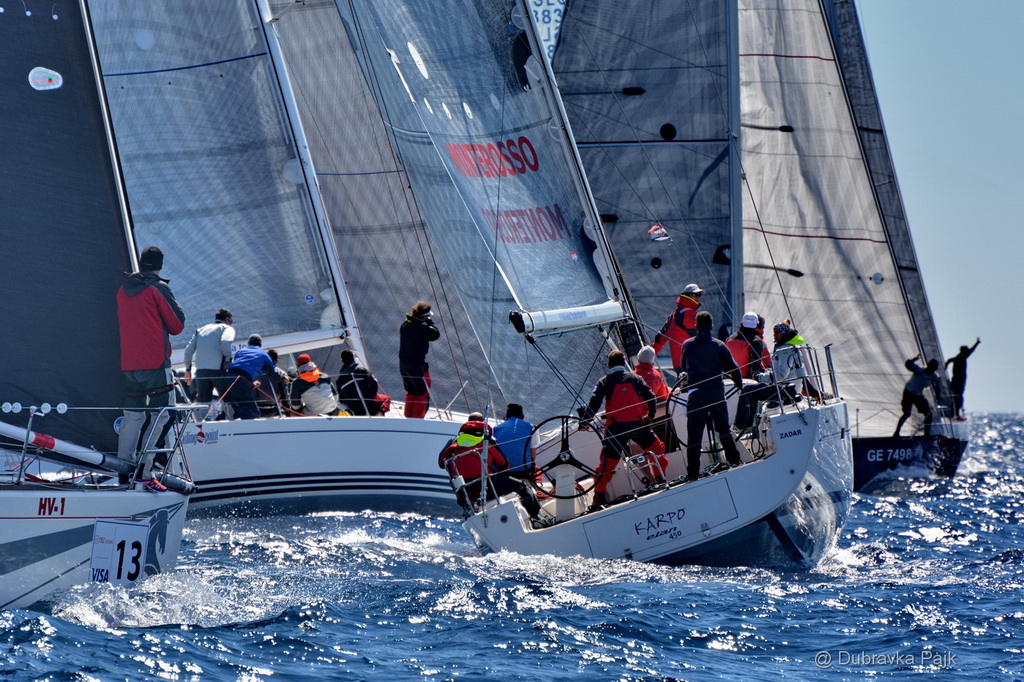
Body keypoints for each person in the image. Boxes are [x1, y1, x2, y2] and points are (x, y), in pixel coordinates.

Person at [116, 246, 186, 491]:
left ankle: (123, 471)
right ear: (160, 264)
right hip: (155, 363)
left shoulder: (123, 290)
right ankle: (145, 472)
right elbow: (177, 325)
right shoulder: (158, 288)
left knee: (133, 417)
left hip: (129, 364)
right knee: (164, 413)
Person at [583, 350, 667, 510]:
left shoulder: (604, 381)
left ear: (609, 365)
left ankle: (597, 499)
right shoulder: (636, 378)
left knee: (607, 464)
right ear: (623, 364)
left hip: (615, 428)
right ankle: (660, 481)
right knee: (657, 449)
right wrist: (651, 416)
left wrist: (585, 422)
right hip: (637, 424)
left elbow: (594, 402)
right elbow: (651, 398)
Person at [679, 310, 743, 481]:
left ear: (696, 325)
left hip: (697, 395)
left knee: (694, 436)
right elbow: (733, 367)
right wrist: (739, 383)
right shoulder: (719, 345)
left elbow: (683, 367)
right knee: (723, 429)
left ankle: (692, 473)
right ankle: (735, 461)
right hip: (715, 392)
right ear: (712, 326)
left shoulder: (687, 345)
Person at [438, 413, 540, 519]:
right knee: (521, 486)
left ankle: (470, 507)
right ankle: (535, 516)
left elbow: (441, 464)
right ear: (483, 423)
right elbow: (504, 465)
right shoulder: (487, 442)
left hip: (464, 488)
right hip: (486, 484)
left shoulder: (454, 442)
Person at [728, 312, 775, 430]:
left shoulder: (729, 339)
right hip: (747, 383)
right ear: (756, 326)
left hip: (730, 381)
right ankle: (750, 427)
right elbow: (755, 366)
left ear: (741, 323)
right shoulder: (756, 340)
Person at [183, 308, 235, 412]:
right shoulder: (227, 328)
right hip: (218, 371)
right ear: (227, 320)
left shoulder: (201, 329)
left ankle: (201, 424)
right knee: (227, 400)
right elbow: (225, 342)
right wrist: (228, 359)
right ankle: (230, 423)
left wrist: (188, 370)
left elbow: (188, 350)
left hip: (201, 372)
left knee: (203, 402)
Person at [399, 301, 440, 418]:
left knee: (411, 392)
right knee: (422, 393)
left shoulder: (405, 325)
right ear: (424, 317)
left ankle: (408, 417)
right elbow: (435, 334)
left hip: (403, 365)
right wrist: (430, 323)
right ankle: (417, 420)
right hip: (416, 365)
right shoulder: (421, 327)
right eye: (427, 316)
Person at [652, 283, 703, 372]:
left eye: (699, 295)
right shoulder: (690, 314)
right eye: (696, 294)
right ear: (690, 295)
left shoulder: (675, 313)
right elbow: (700, 338)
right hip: (691, 363)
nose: (698, 297)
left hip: (678, 365)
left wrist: (648, 357)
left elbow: (660, 337)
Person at [225, 334, 277, 420]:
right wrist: (283, 378)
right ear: (260, 345)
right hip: (242, 379)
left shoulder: (240, 352)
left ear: (248, 343)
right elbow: (273, 373)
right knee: (253, 412)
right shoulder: (263, 355)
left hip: (228, 378)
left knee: (238, 409)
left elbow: (239, 366)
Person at [771, 320, 821, 401]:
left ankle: (815, 394)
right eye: (774, 332)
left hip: (788, 392)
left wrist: (761, 377)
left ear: (783, 333)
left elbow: (781, 374)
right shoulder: (788, 346)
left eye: (777, 332)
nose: (774, 335)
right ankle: (816, 394)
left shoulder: (785, 350)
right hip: (793, 388)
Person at [894, 354, 942, 437]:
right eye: (931, 367)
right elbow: (908, 365)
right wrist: (914, 359)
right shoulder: (919, 371)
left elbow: (939, 385)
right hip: (908, 393)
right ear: (928, 366)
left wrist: (938, 394)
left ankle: (926, 435)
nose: (931, 370)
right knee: (907, 413)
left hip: (918, 395)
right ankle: (896, 432)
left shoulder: (934, 377)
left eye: (933, 369)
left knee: (928, 414)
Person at [492, 403, 535, 479]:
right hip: (523, 471)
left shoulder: (495, 429)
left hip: (501, 471)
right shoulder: (531, 427)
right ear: (523, 417)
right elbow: (533, 455)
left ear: (505, 418)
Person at [336, 349, 380, 416]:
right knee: (383, 401)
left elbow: (342, 399)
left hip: (355, 410)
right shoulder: (361, 370)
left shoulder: (339, 380)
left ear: (342, 361)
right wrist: (371, 395)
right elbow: (374, 384)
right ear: (354, 359)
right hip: (370, 405)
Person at [945, 338, 980, 418]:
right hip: (959, 382)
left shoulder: (957, 357)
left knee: (955, 397)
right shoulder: (962, 357)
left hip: (955, 381)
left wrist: (946, 364)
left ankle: (954, 414)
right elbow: (971, 351)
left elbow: (950, 360)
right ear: (964, 351)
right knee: (958, 398)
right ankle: (956, 415)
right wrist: (977, 343)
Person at [255, 349, 289, 417]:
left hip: (256, 409)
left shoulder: (254, 372)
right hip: (273, 409)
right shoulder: (281, 374)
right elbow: (284, 395)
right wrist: (287, 410)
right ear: (276, 361)